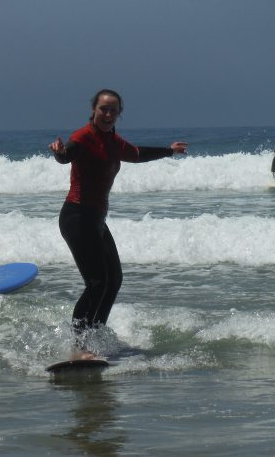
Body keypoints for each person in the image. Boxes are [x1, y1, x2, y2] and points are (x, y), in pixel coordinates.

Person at [49, 89, 188, 357]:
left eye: (114, 110)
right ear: (94, 110)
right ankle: (79, 346)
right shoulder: (84, 136)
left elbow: (136, 154)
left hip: (96, 219)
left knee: (114, 280)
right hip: (77, 216)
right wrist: (59, 153)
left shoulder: (112, 140)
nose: (108, 114)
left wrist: (168, 152)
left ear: (118, 114)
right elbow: (68, 153)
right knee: (97, 283)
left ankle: (95, 336)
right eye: (104, 109)